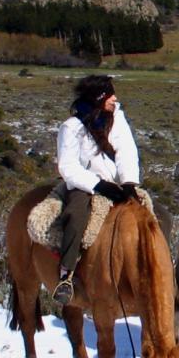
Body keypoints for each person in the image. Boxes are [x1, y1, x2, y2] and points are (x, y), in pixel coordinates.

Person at [52, 74, 140, 305]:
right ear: (98, 98)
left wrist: (128, 182)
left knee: (158, 215)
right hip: (86, 184)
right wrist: (98, 185)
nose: (115, 98)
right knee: (76, 215)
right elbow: (68, 166)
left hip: (118, 183)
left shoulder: (117, 119)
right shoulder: (71, 128)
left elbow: (127, 151)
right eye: (109, 94)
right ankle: (66, 274)